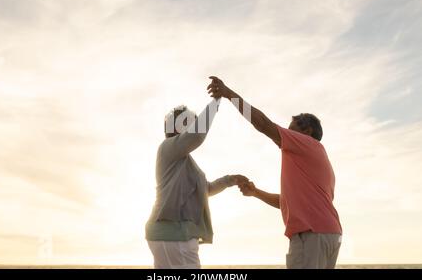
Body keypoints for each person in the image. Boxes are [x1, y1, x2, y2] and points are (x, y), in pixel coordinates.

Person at [207, 76, 342, 269]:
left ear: (308, 131)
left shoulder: (306, 144)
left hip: (311, 235)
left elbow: (263, 124)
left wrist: (229, 95)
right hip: (328, 234)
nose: (285, 135)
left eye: (291, 130)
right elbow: (287, 203)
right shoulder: (316, 160)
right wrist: (255, 193)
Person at [145, 98, 247, 269]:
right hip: (173, 235)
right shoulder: (168, 147)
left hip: (173, 235)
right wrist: (216, 101)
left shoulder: (182, 159)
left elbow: (206, 189)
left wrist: (230, 180)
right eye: (189, 123)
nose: (193, 126)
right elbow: (198, 134)